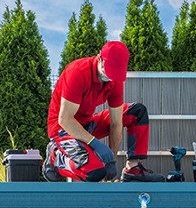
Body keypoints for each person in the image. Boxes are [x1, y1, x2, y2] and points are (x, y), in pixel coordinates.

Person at [43, 41, 165, 182]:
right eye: (108, 70)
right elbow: (65, 120)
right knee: (94, 173)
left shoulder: (114, 79)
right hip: (63, 129)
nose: (110, 77)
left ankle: (133, 170)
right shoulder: (77, 72)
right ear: (100, 58)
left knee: (136, 111)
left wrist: (111, 161)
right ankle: (56, 159)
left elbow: (116, 123)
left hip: (87, 124)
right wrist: (95, 143)